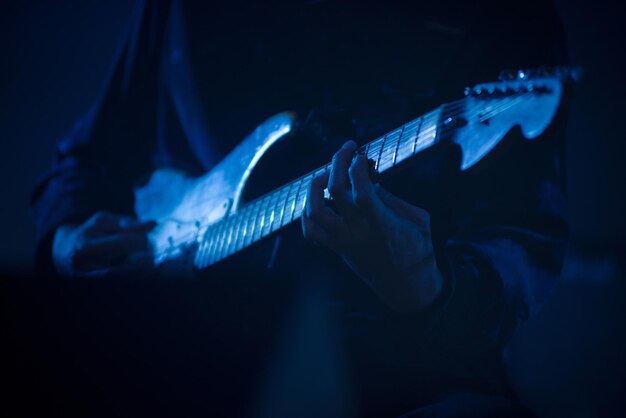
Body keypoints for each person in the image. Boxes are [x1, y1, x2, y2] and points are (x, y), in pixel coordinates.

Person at [31, 0, 569, 416]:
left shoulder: (501, 14)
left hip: (398, 373)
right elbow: (83, 159)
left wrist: (430, 286)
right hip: (179, 350)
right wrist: (68, 238)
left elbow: (528, 240)